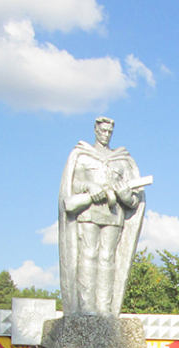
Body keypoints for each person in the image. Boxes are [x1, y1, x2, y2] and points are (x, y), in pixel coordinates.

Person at [59, 116, 146, 315]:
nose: (106, 135)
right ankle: (87, 307)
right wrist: (88, 186)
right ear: (95, 130)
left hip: (114, 214)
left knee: (108, 258)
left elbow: (134, 201)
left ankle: (104, 308)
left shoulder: (122, 161)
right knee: (88, 255)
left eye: (109, 132)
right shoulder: (81, 155)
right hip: (88, 212)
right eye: (103, 131)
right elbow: (69, 187)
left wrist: (125, 195)